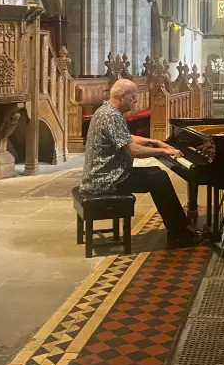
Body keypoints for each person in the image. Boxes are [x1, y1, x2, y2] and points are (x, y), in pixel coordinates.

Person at [79, 79, 198, 247]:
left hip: (105, 174)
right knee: (158, 178)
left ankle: (179, 230)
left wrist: (154, 141)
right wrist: (163, 151)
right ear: (122, 96)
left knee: (157, 174)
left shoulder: (106, 110)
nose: (135, 100)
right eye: (133, 97)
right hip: (107, 180)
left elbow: (127, 138)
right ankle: (180, 234)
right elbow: (133, 150)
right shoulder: (111, 115)